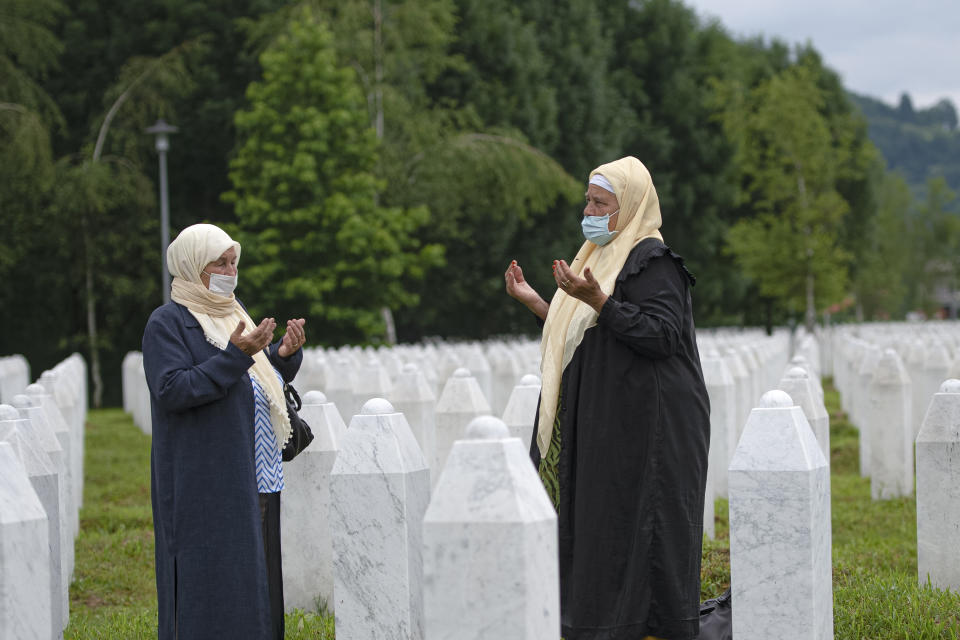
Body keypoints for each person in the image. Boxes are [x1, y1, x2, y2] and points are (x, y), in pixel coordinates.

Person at [504, 156, 710, 640]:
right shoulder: (596, 257)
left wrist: (598, 301)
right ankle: (601, 621)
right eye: (588, 200)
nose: (589, 210)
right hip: (612, 419)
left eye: (601, 203)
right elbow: (586, 336)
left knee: (641, 520)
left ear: (631, 207)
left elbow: (661, 335)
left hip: (653, 426)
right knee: (602, 518)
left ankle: (648, 624)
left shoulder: (653, 262)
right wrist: (538, 302)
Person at [142, 223, 306, 640]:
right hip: (204, 476)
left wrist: (280, 356)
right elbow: (172, 388)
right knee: (212, 577)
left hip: (254, 469)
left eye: (233, 262)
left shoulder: (233, 311)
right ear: (192, 265)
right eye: (220, 262)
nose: (229, 270)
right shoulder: (168, 323)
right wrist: (238, 356)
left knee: (257, 572)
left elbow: (252, 374)